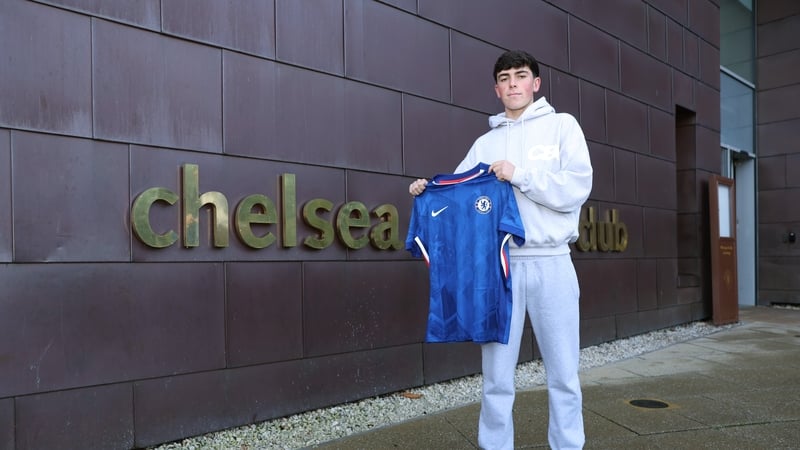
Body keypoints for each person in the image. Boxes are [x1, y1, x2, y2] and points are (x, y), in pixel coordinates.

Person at [408, 49, 592, 450]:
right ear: (496, 89)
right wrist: (428, 192)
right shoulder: (485, 142)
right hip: (499, 269)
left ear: (535, 83)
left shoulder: (562, 127)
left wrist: (519, 175)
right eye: (505, 78)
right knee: (496, 378)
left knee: (563, 373)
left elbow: (576, 187)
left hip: (552, 262)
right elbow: (456, 194)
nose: (513, 84)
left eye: (520, 75)